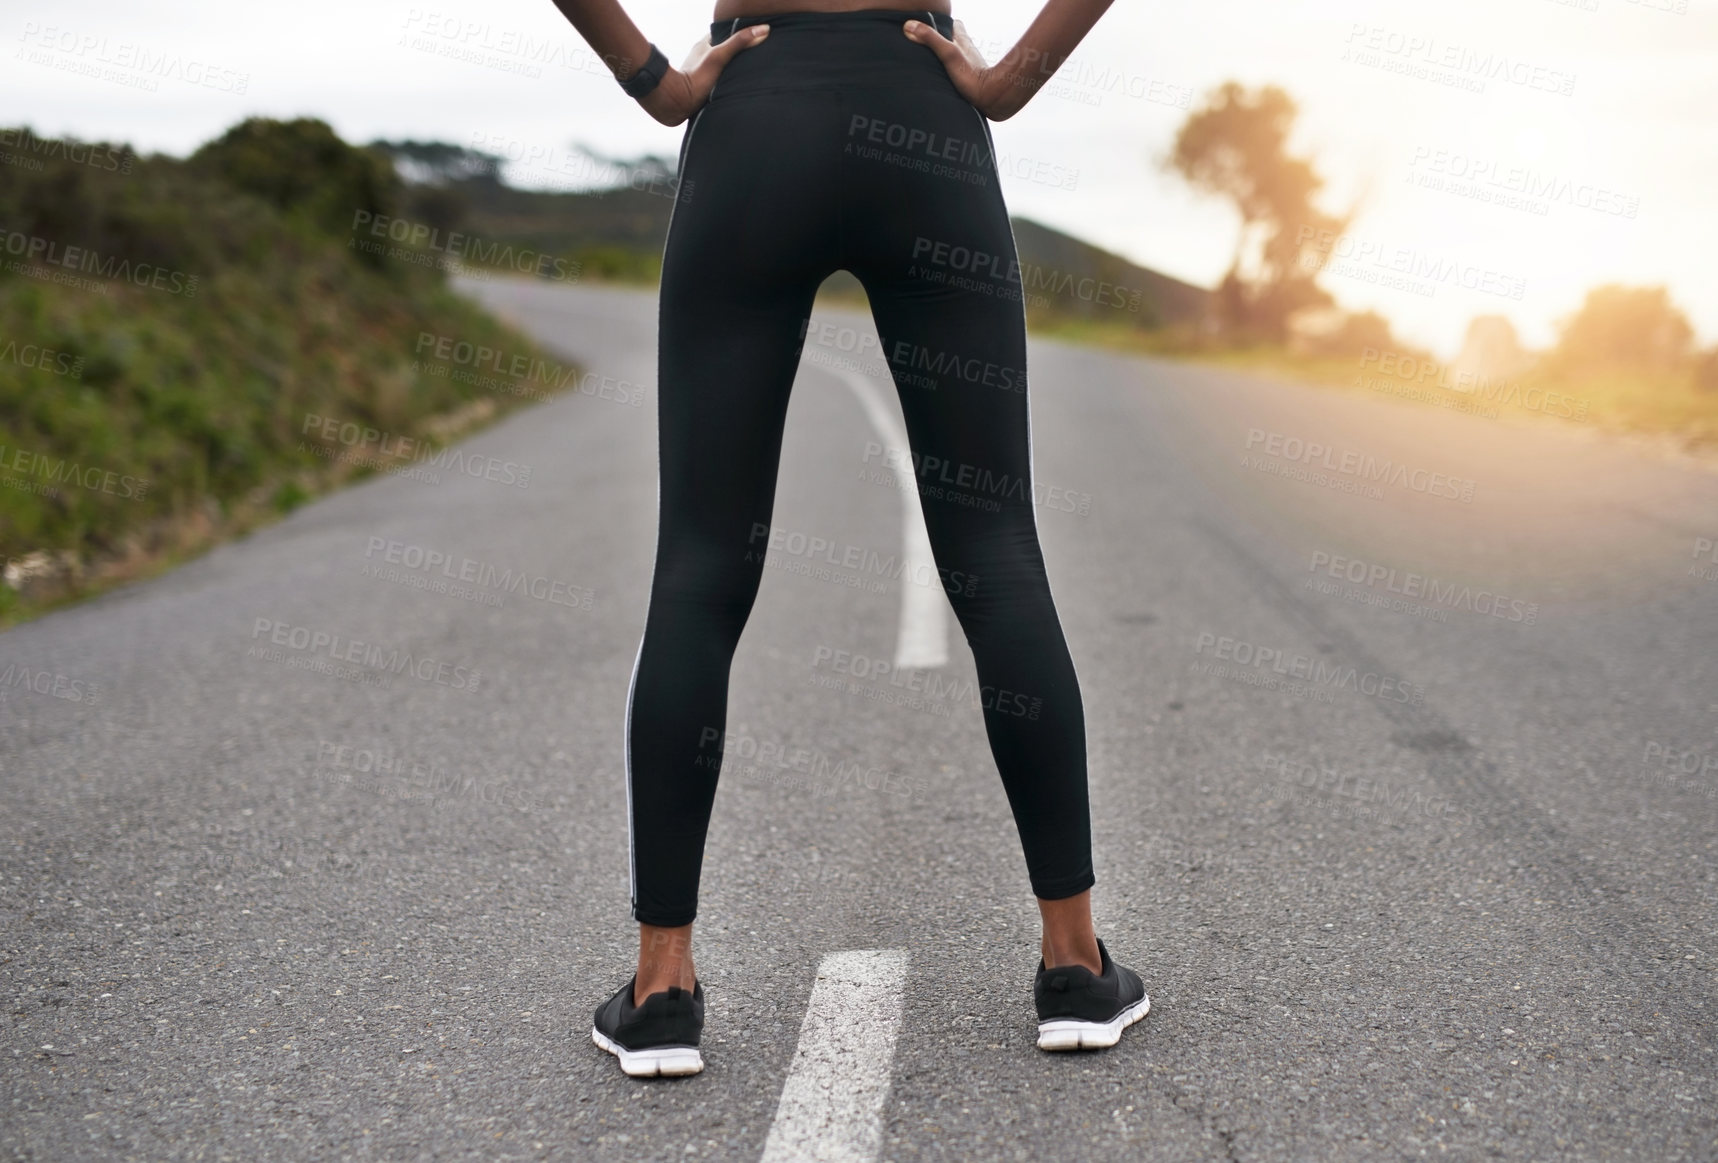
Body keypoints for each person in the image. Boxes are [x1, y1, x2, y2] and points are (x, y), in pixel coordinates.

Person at [547, 0, 1148, 1078]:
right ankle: (1072, 965)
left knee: (697, 565)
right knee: (997, 554)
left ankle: (661, 986)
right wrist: (1010, 80)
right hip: (920, 110)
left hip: (753, 115)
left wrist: (657, 83)